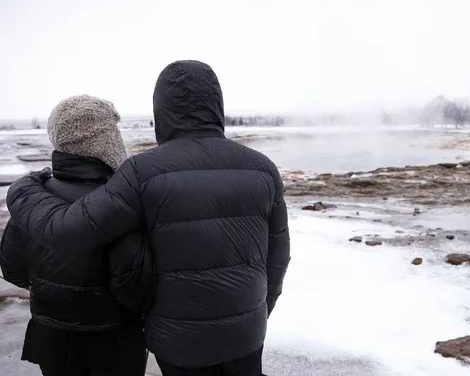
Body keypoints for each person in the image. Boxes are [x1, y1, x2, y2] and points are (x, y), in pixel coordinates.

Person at [7, 60, 291, 376]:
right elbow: (277, 257)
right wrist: (260, 312)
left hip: (178, 341)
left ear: (161, 111)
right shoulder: (262, 168)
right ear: (217, 105)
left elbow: (66, 231)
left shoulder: (143, 172)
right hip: (246, 332)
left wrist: (23, 189)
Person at [0, 95, 154, 376]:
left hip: (51, 338)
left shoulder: (33, 200)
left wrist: (52, 295)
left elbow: (12, 269)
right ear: (105, 142)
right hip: (114, 344)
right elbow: (134, 291)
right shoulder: (120, 204)